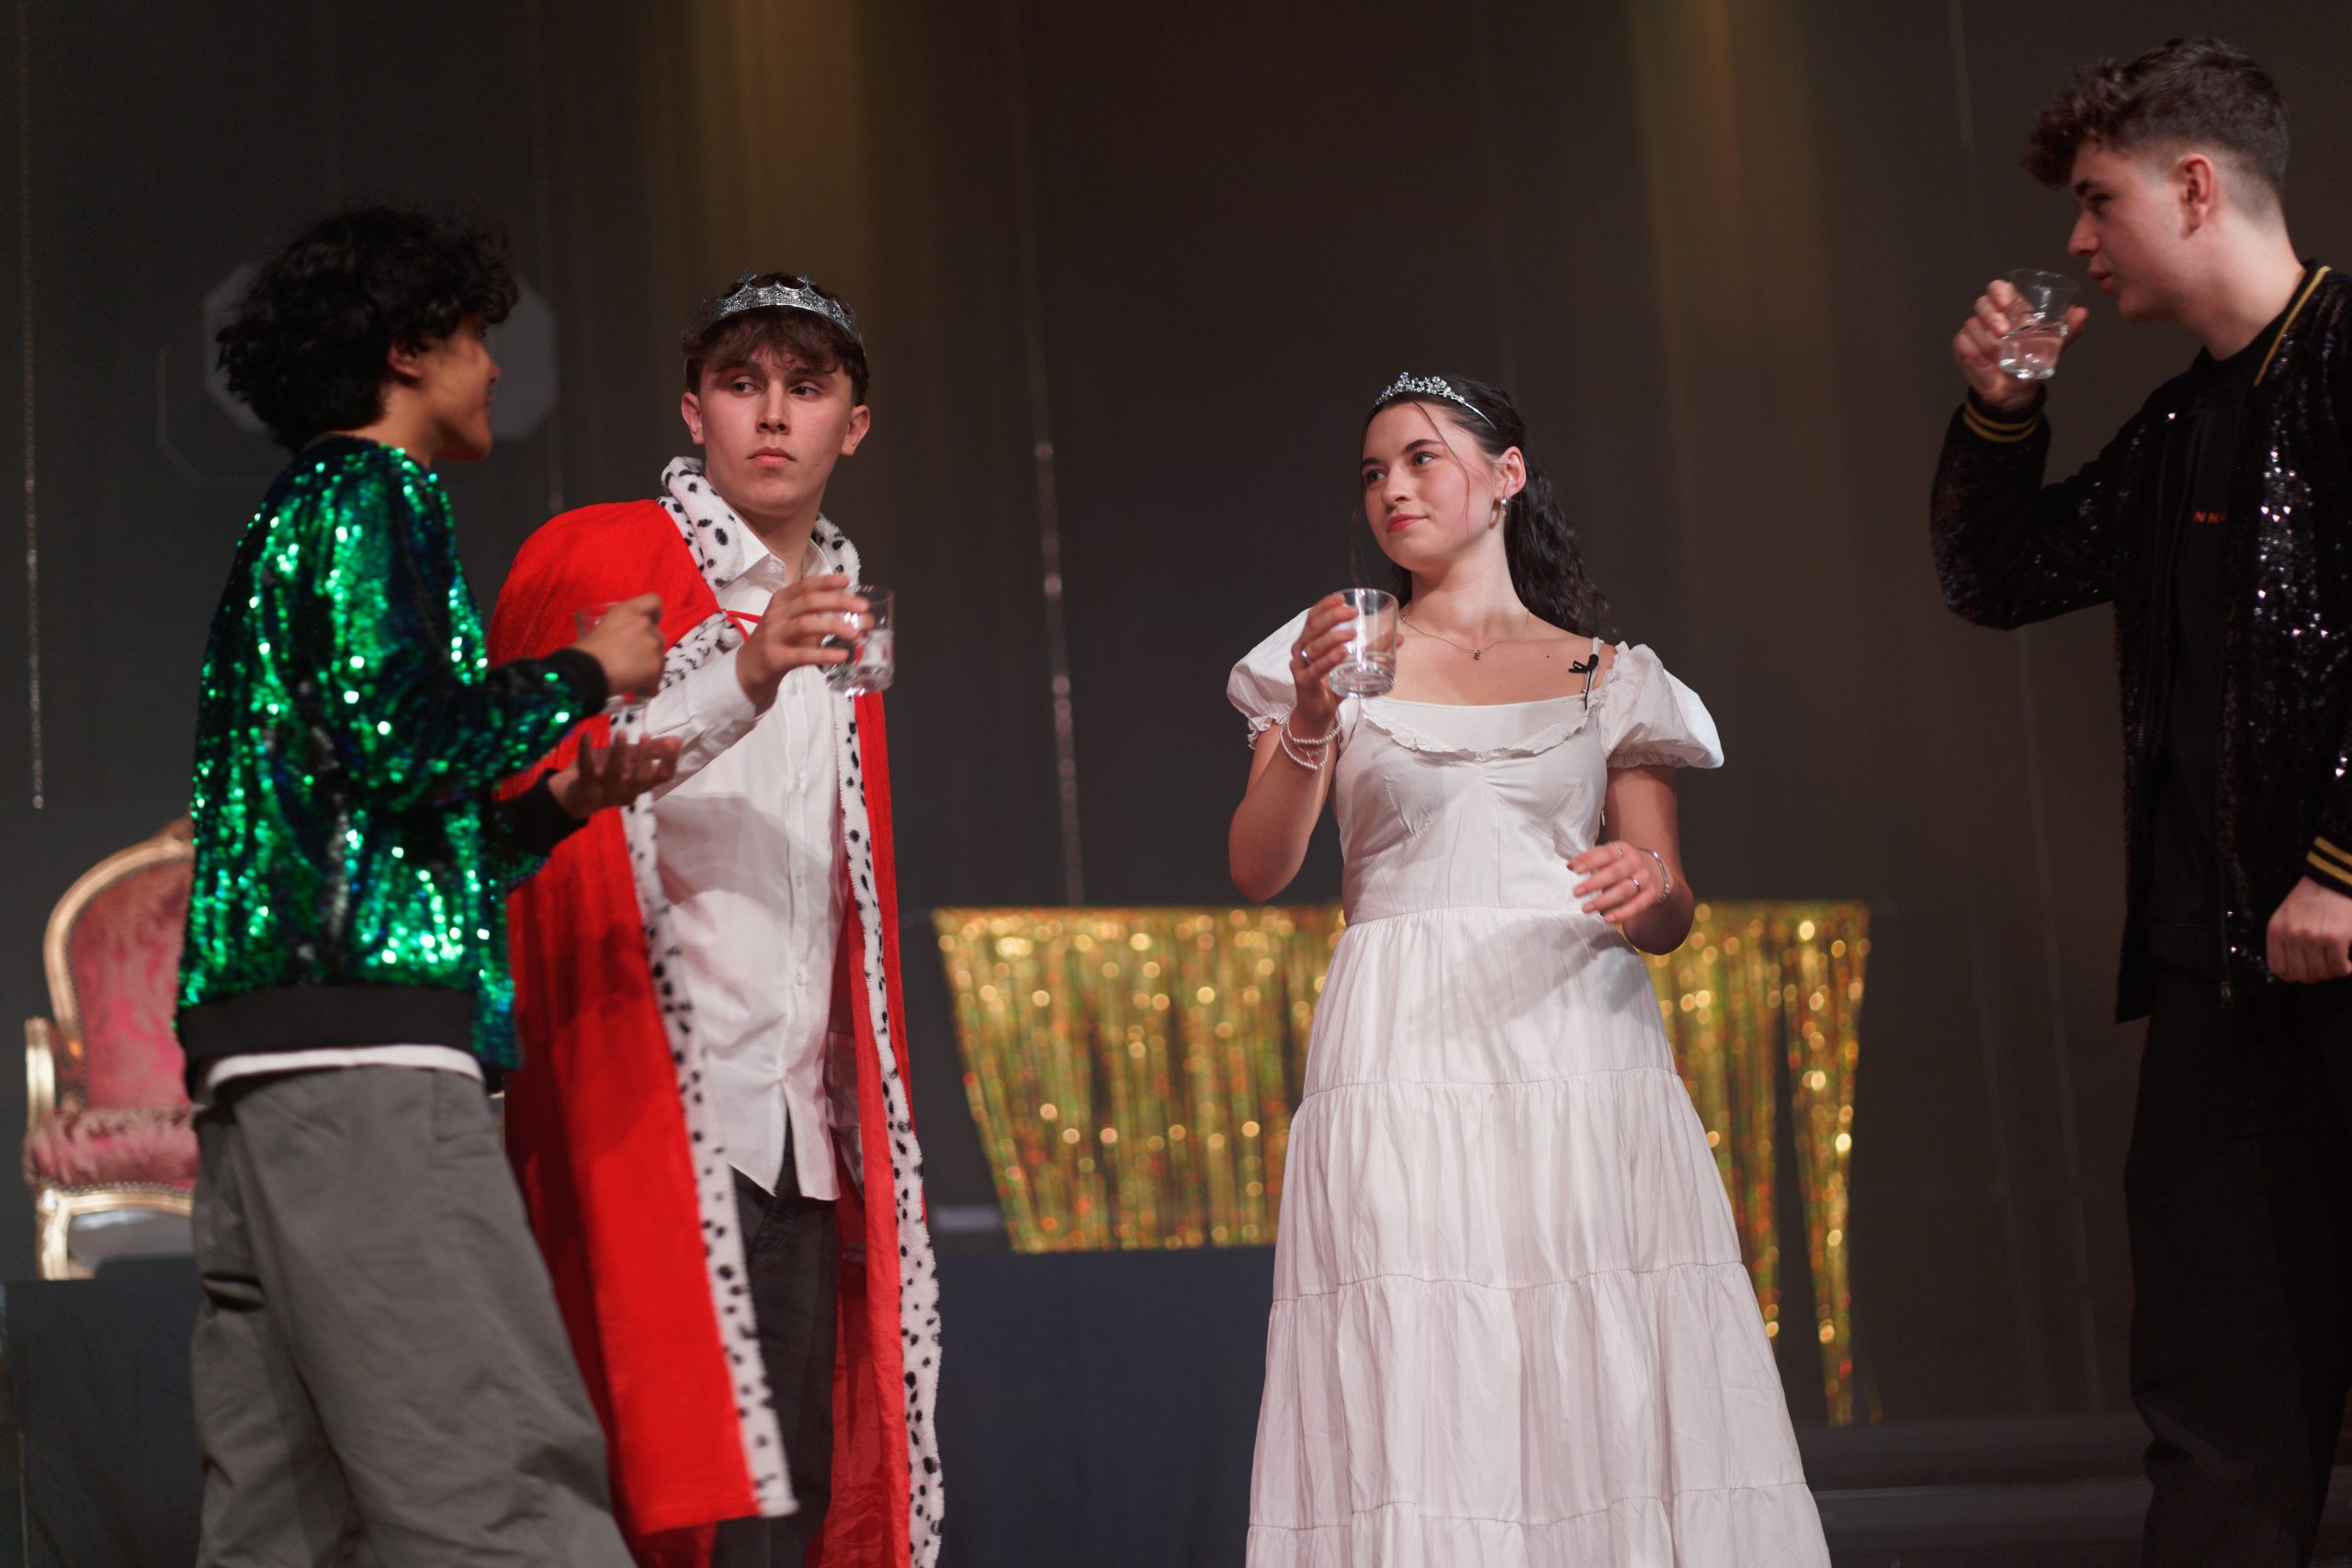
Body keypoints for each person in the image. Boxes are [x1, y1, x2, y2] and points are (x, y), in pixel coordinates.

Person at [1227, 371, 1827, 1565]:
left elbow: (1665, 904)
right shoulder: (1336, 656)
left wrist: (1651, 886)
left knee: (1596, 1338)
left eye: (1422, 458)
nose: (1393, 488)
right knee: (1418, 1345)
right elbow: (1259, 866)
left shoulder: (1610, 675)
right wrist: (1310, 712)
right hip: (1403, 1043)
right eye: (1373, 471)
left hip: (1577, 1041)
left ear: (1504, 475)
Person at [178, 207, 675, 1567]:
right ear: (408, 351)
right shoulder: (369, 495)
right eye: (472, 338)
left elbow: (362, 819)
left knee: (287, 1512)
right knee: (494, 1471)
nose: (494, 369)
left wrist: (559, 804)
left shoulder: (292, 519)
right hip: (363, 1072)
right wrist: (586, 671)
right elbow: (403, 737)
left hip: (268, 1065)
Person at [1935, 36, 2352, 1567]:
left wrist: (2343, 863)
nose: (2078, 238)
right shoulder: (2184, 425)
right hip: (2218, 990)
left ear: (2192, 185)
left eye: (2098, 200)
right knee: (2219, 1401)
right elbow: (2002, 575)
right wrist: (2002, 411)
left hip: (2343, 944)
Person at [490, 272, 943, 1568]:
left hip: (797, 1135)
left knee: (770, 1527)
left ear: (854, 424)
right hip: (647, 1115)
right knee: (632, 1504)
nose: (773, 417)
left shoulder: (847, 616)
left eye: (806, 389)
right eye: (742, 386)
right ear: (694, 411)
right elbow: (544, 790)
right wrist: (742, 670)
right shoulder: (600, 555)